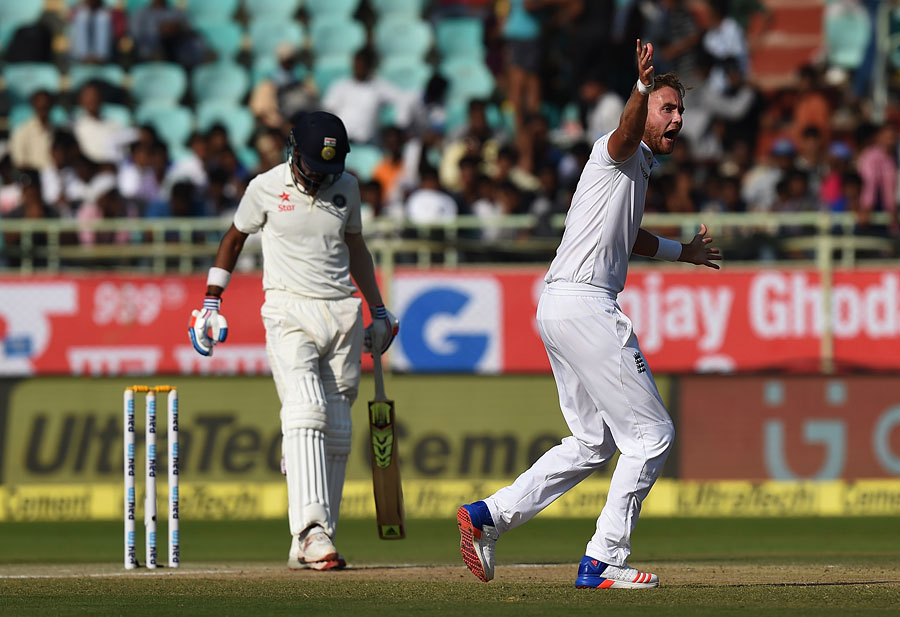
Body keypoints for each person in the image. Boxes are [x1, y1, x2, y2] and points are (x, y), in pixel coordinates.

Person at [456, 41, 721, 589]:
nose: (676, 120)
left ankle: (488, 517)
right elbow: (625, 131)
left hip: (557, 304)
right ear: (644, 109)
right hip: (584, 303)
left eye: (680, 111)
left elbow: (630, 237)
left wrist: (683, 253)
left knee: (593, 442)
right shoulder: (616, 147)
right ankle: (603, 559)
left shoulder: (638, 167)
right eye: (666, 109)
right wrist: (641, 88)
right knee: (651, 437)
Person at [187, 111, 398, 570]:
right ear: (293, 152)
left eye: (330, 171)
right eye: (314, 169)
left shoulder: (348, 189)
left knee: (338, 431)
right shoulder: (265, 186)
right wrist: (211, 301)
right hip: (287, 310)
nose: (322, 180)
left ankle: (316, 539)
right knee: (306, 410)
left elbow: (356, 249)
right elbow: (233, 238)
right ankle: (309, 529)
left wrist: (378, 308)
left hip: (342, 312)